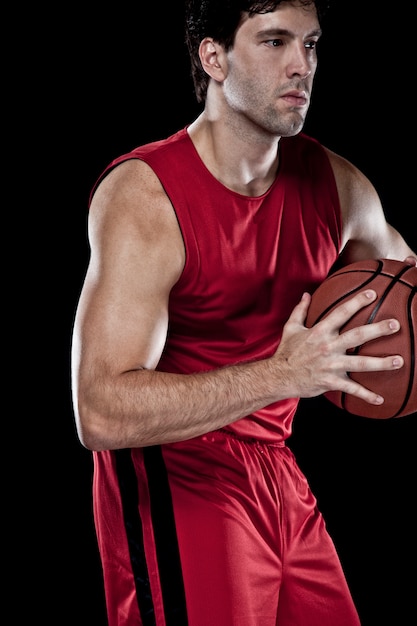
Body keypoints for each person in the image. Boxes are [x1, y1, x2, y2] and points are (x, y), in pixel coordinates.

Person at [71, 1, 417, 624]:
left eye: (310, 45)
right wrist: (283, 376)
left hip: (278, 472)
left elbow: (406, 291)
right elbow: (98, 410)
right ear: (214, 58)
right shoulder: (147, 196)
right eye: (275, 42)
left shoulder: (336, 187)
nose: (301, 66)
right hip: (177, 476)